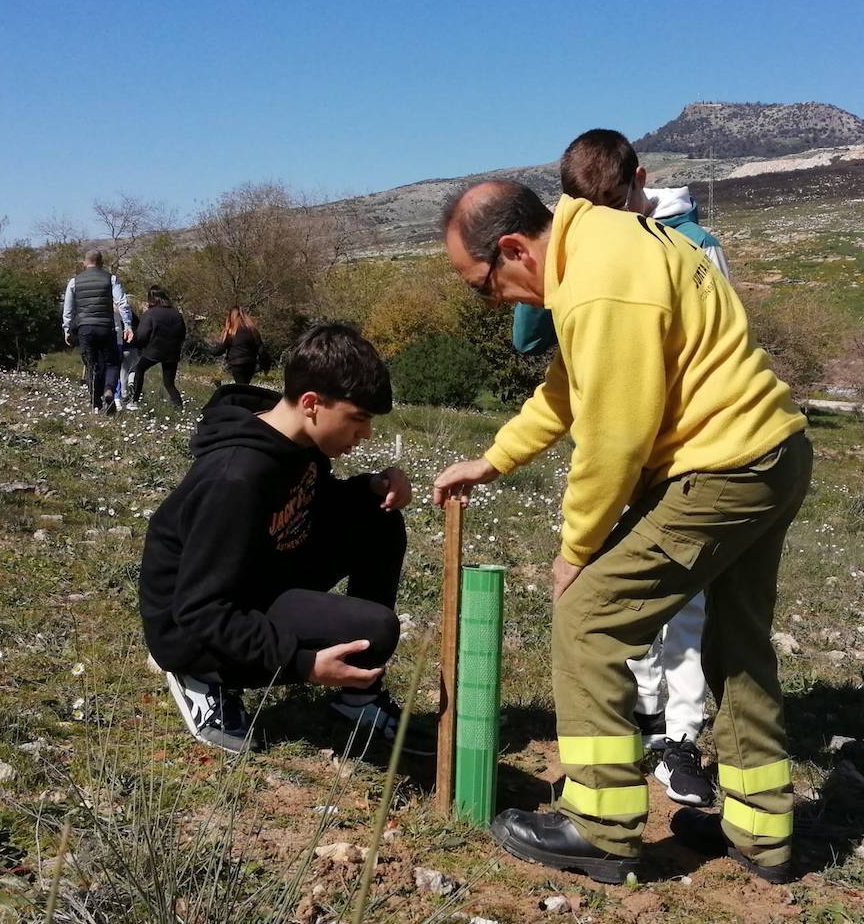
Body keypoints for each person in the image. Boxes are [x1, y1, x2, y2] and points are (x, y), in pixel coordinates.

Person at [433, 180, 811, 885]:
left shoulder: (598, 284)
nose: (495, 303)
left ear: (513, 249)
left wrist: (577, 550)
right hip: (773, 453)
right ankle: (761, 832)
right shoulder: (604, 243)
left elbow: (613, 438)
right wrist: (494, 459)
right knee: (737, 641)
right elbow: (567, 387)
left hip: (723, 466)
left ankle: (602, 827)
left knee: (588, 619)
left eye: (483, 285)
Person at [512, 129, 731, 810]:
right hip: (669, 443)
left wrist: (572, 544)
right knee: (657, 596)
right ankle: (656, 721)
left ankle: (670, 739)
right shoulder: (692, 243)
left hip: (679, 450)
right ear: (642, 173)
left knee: (652, 595)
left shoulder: (664, 246)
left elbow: (537, 347)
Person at [140, 323, 431, 757]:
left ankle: (357, 699)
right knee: (374, 631)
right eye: (359, 419)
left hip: (253, 576)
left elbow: (304, 503)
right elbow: (198, 608)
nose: (365, 434)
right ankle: (200, 677)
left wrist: (371, 487)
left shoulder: (298, 444)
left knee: (378, 518)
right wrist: (304, 664)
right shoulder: (234, 478)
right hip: (192, 627)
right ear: (312, 403)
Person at [62, 250, 133, 414]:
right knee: (113, 362)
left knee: (92, 365)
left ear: (84, 263)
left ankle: (95, 404)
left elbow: (68, 310)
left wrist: (67, 330)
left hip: (85, 328)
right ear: (102, 263)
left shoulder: (74, 282)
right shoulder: (111, 279)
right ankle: (109, 390)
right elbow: (122, 303)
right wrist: (128, 326)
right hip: (106, 327)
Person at [129, 286, 187, 409]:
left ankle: (134, 400)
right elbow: (183, 334)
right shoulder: (177, 314)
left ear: (151, 299)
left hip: (154, 351)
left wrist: (133, 342)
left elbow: (142, 336)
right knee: (169, 383)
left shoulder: (150, 314)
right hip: (172, 351)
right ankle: (179, 407)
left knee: (139, 370)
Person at [212, 306, 265, 385]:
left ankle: (241, 396)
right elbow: (260, 348)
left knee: (240, 385)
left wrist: (211, 352)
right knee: (245, 384)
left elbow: (221, 349)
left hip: (236, 363)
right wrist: (262, 364)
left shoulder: (231, 331)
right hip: (250, 363)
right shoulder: (253, 330)